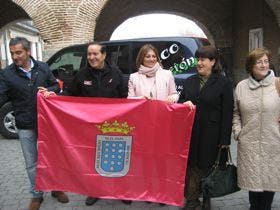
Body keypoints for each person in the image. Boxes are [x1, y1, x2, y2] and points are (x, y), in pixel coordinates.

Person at [0, 37, 69, 210]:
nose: (15, 57)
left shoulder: (43, 67)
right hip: (25, 124)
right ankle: (37, 194)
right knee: (31, 162)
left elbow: (55, 86)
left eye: (18, 52)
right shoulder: (7, 74)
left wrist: (50, 90)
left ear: (28, 51)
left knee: (52, 158)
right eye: (12, 53)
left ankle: (56, 188)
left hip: (47, 123)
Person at [63, 42, 129, 206]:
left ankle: (119, 190)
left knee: (116, 158)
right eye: (89, 54)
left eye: (95, 54)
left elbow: (125, 97)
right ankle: (94, 191)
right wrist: (52, 97)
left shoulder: (116, 73)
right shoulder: (82, 74)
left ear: (104, 55)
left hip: (113, 126)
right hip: (89, 127)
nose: (91, 57)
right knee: (93, 160)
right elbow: (69, 94)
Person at [180, 45, 234, 210]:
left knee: (207, 167)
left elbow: (227, 113)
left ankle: (207, 199)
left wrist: (225, 140)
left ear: (212, 61)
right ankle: (191, 199)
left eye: (203, 59)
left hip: (212, 135)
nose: (199, 63)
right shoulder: (190, 81)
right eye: (198, 59)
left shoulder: (224, 83)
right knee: (191, 166)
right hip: (192, 133)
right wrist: (184, 104)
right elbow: (179, 104)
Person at [232, 48, 280, 210]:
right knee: (253, 187)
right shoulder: (241, 87)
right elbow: (236, 113)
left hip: (273, 142)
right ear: (250, 65)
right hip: (249, 143)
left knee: (269, 183)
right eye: (259, 61)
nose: (264, 64)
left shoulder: (278, 84)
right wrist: (238, 132)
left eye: (266, 61)